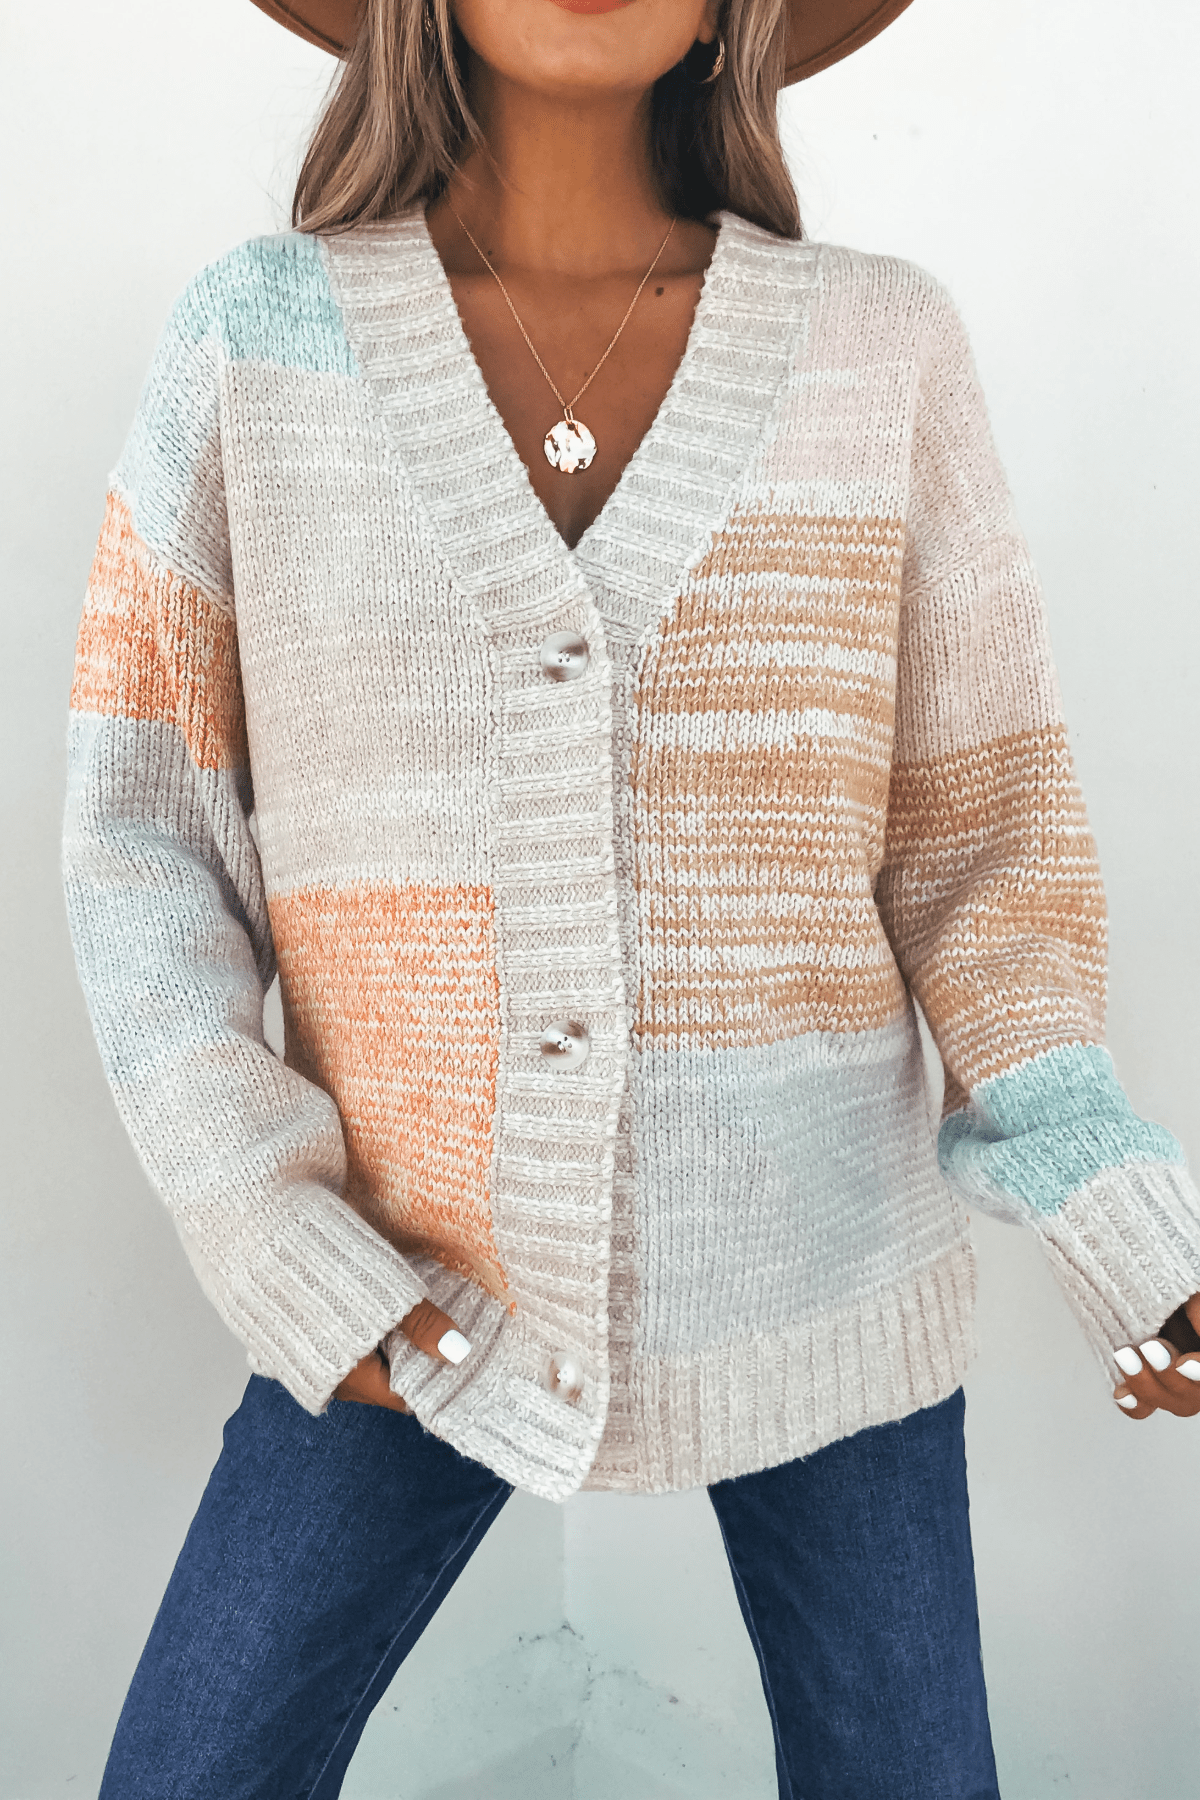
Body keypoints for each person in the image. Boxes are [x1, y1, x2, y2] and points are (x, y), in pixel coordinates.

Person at [63, 0, 1200, 1794]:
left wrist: (1114, 1203)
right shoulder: (254, 342)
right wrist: (273, 1233)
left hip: (830, 1274)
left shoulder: (879, 349)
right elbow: (143, 836)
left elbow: (981, 836)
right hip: (397, 1277)